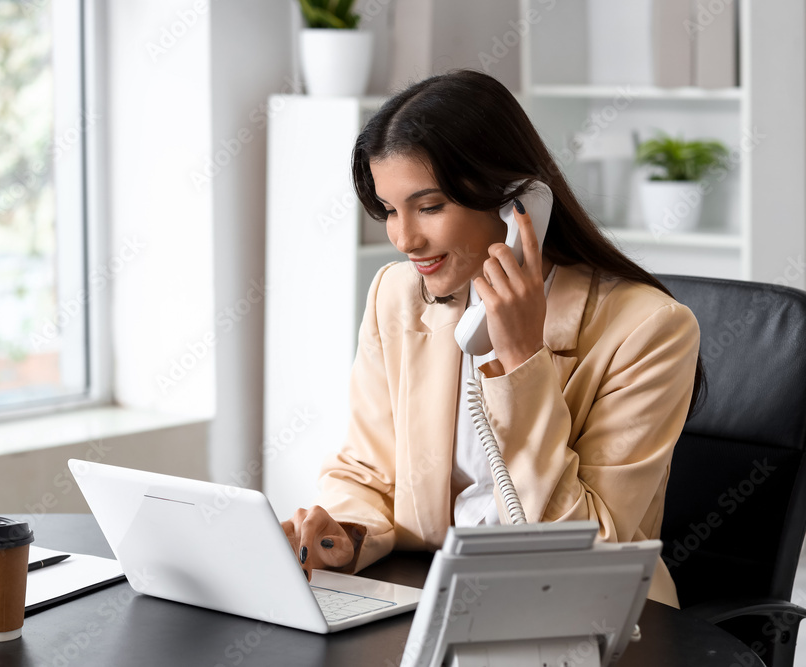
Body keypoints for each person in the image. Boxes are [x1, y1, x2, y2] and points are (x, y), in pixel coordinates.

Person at [280, 69, 703, 608]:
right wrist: (344, 536)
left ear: (516, 202)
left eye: (429, 206)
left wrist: (523, 360)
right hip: (435, 595)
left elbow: (590, 550)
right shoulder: (397, 294)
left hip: (585, 616)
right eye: (390, 209)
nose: (404, 239)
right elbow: (367, 470)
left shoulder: (650, 330)